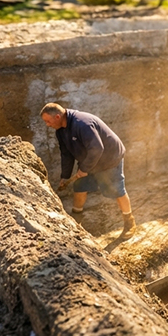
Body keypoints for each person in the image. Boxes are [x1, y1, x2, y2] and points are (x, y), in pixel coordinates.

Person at [40, 102, 137, 238]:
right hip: (90, 160)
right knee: (79, 187)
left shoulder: (82, 124)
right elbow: (66, 153)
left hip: (109, 159)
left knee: (117, 190)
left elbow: (97, 148)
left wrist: (84, 169)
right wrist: (65, 176)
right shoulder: (61, 130)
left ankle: (129, 223)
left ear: (57, 117)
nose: (47, 125)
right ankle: (76, 222)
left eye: (47, 121)